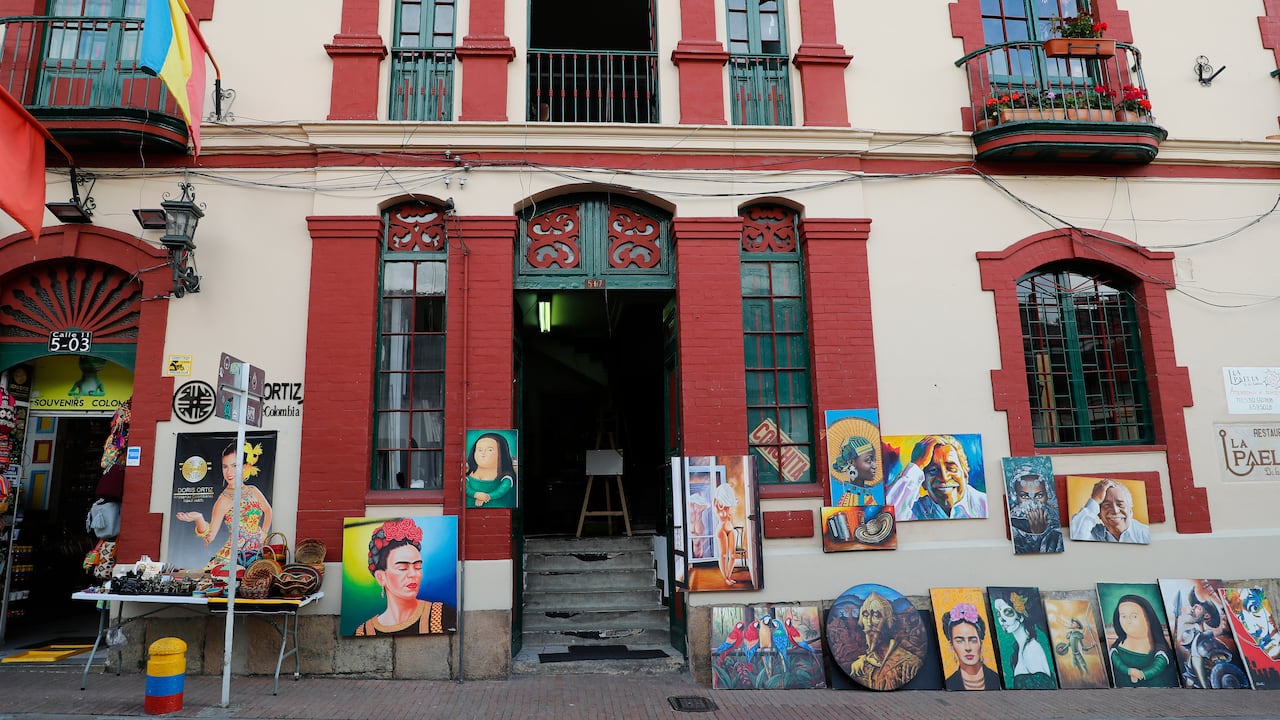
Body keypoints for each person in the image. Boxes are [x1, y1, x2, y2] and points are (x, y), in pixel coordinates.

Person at [175, 442, 272, 571]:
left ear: (244, 467)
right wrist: (199, 518)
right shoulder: (224, 499)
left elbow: (268, 510)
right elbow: (210, 537)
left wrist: (264, 534)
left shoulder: (253, 490)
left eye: (234, 466)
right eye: (225, 467)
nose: (229, 472)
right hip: (234, 556)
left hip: (257, 552)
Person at [354, 518, 457, 635]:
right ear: (381, 577)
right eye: (403, 568)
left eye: (418, 567)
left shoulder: (441, 616)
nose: (413, 574)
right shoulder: (364, 631)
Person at [886, 435, 987, 520]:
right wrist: (917, 465)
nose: (944, 477)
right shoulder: (914, 509)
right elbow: (886, 517)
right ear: (923, 482)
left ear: (965, 475)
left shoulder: (985, 505)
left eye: (951, 468)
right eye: (933, 470)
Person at [846, 591, 923, 690]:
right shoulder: (860, 666)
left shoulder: (909, 664)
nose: (869, 622)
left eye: (876, 616)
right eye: (865, 615)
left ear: (888, 623)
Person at [1110, 594, 1178, 687]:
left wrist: (1142, 674)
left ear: (1148, 618)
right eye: (1123, 616)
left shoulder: (1160, 652)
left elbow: (1158, 667)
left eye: (1134, 616)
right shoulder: (1115, 649)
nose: (1128, 621)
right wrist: (1129, 671)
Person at [993, 591, 1056, 688]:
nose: (1002, 620)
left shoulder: (1032, 649)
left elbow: (1045, 691)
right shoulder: (1020, 648)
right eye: (998, 614)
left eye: (1007, 612)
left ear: (1021, 616)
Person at [942, 602, 1002, 690]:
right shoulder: (950, 683)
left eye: (973, 640)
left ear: (981, 642)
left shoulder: (996, 679)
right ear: (952, 645)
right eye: (960, 641)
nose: (968, 648)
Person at [1069, 478, 1149, 543]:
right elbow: (1074, 536)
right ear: (1099, 514)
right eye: (1107, 505)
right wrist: (1095, 500)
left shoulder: (1145, 533)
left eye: (1120, 504)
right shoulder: (1092, 534)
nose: (1115, 510)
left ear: (1131, 511)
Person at [1008, 467, 1064, 553]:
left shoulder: (1056, 525)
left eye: (1039, 496)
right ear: (1015, 496)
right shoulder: (1013, 527)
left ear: (1047, 494)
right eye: (1025, 496)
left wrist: (1041, 533)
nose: (1032, 502)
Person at [463, 432, 517, 509]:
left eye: (490, 450)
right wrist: (476, 494)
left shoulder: (506, 478)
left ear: (501, 453)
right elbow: (466, 488)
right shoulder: (468, 477)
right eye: (479, 450)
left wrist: (487, 496)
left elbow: (501, 491)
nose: (483, 454)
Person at [832, 435, 884, 507]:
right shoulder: (847, 502)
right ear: (852, 462)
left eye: (874, 460)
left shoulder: (869, 497)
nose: (875, 466)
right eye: (869, 460)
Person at [711, 482, 739, 585]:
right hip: (721, 530)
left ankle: (729, 576)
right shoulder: (717, 504)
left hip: (730, 529)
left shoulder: (730, 504)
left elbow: (735, 501)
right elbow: (715, 500)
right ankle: (725, 578)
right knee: (723, 555)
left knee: (732, 555)